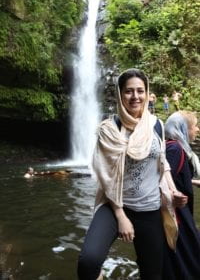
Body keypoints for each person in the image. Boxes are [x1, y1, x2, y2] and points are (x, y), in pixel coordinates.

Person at [77, 68, 186, 280]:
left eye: (140, 91)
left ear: (147, 93)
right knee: (88, 263)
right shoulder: (109, 128)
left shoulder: (156, 125)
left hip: (150, 208)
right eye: (128, 91)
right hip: (114, 205)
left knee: (153, 273)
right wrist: (120, 215)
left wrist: (173, 192)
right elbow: (105, 177)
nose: (135, 96)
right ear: (120, 94)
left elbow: (161, 163)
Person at [163, 110, 200, 280]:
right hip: (176, 217)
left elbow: (174, 176)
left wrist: (191, 182)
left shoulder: (177, 148)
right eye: (194, 126)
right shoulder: (175, 149)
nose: (197, 129)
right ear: (183, 129)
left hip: (181, 214)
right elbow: (161, 179)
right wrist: (173, 193)